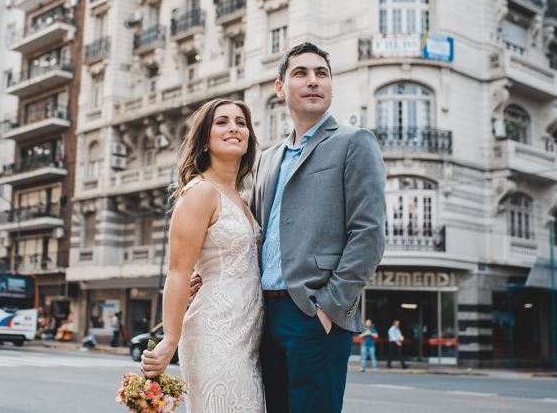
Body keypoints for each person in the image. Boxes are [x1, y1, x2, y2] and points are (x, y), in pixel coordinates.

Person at [252, 43, 387, 413]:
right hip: (264, 315)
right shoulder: (267, 159)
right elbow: (255, 236)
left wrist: (329, 307)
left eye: (321, 74)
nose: (313, 81)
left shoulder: (354, 142)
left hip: (314, 313)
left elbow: (369, 233)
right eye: (301, 73)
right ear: (280, 87)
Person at [141, 99, 265, 412]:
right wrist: (169, 340)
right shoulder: (200, 192)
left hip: (248, 335)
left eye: (240, 121)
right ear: (205, 139)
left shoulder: (240, 199)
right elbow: (178, 271)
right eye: (222, 122)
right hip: (215, 333)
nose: (234, 128)